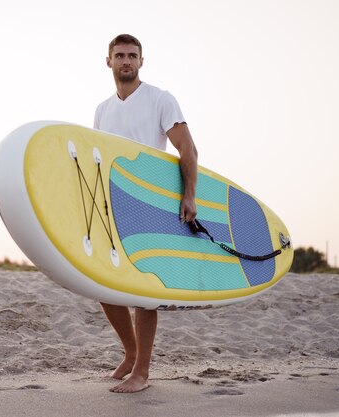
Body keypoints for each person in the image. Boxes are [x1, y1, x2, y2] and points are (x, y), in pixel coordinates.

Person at [94, 34, 199, 393]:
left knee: (142, 290)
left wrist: (189, 196)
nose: (126, 61)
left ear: (142, 61)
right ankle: (130, 352)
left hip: (150, 203)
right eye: (120, 55)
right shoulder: (102, 110)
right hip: (111, 205)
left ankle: (142, 371)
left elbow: (187, 149)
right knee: (103, 284)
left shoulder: (160, 100)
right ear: (108, 61)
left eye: (132, 56)